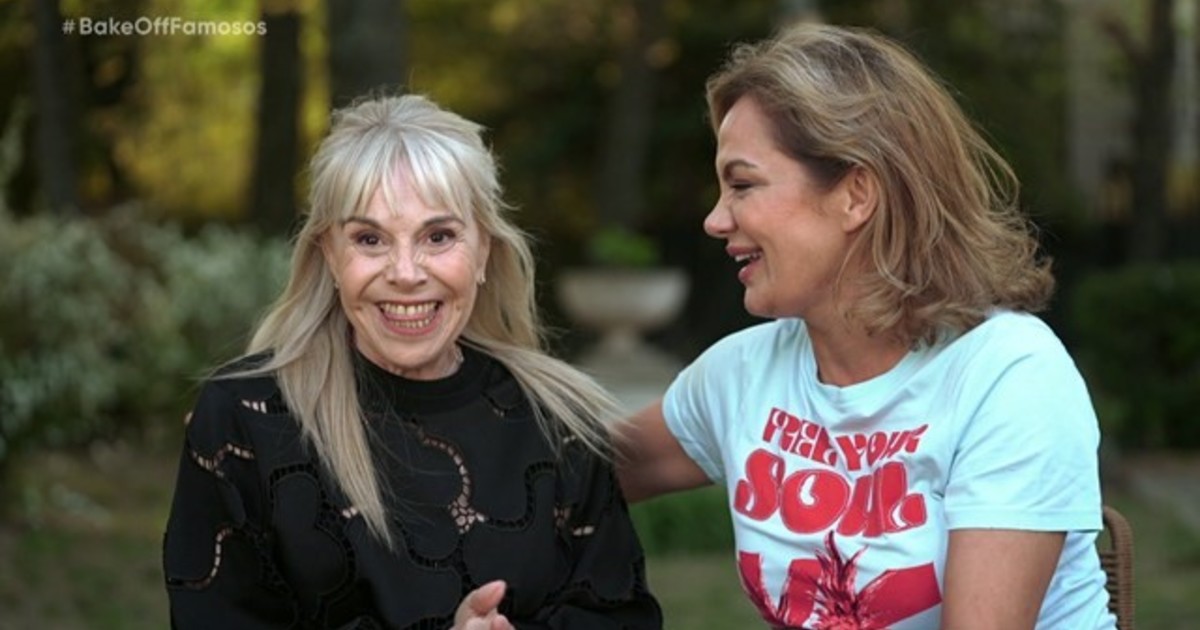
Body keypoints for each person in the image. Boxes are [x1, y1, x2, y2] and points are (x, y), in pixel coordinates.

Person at [616, 23, 1116, 630]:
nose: (716, 220)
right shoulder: (744, 373)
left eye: (743, 185)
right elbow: (570, 477)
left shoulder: (1008, 375)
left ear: (856, 195)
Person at [162, 93, 662, 629]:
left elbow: (622, 618)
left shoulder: (556, 419)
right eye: (369, 239)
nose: (405, 272)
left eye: (438, 236)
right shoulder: (244, 418)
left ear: (483, 252)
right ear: (329, 255)